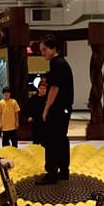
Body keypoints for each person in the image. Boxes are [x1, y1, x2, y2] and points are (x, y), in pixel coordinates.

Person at [35, 34, 74, 185]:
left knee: (52, 140)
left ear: (53, 48)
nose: (42, 53)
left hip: (58, 109)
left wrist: (46, 109)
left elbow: (54, 89)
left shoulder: (57, 64)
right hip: (64, 109)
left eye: (44, 49)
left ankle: (52, 173)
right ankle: (63, 171)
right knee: (61, 139)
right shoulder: (61, 62)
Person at [25, 80, 48, 145]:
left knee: (45, 141)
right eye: (41, 88)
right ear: (38, 89)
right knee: (36, 140)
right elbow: (28, 108)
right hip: (35, 121)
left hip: (45, 122)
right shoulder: (33, 98)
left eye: (44, 89)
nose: (42, 90)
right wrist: (29, 116)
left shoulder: (48, 98)